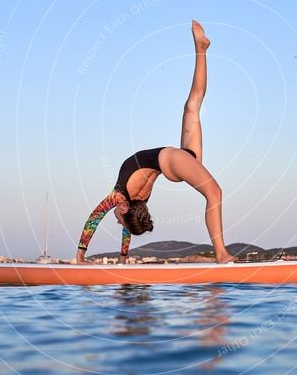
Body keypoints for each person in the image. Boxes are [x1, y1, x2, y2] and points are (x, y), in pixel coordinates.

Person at [74, 20, 237, 265]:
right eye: (119, 220)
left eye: (119, 221)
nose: (117, 220)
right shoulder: (124, 200)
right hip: (172, 160)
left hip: (177, 161)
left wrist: (105, 259)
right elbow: (96, 220)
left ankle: (201, 50)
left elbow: (108, 222)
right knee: (214, 193)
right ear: (126, 211)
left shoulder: (126, 199)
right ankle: (222, 254)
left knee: (193, 105)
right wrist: (100, 259)